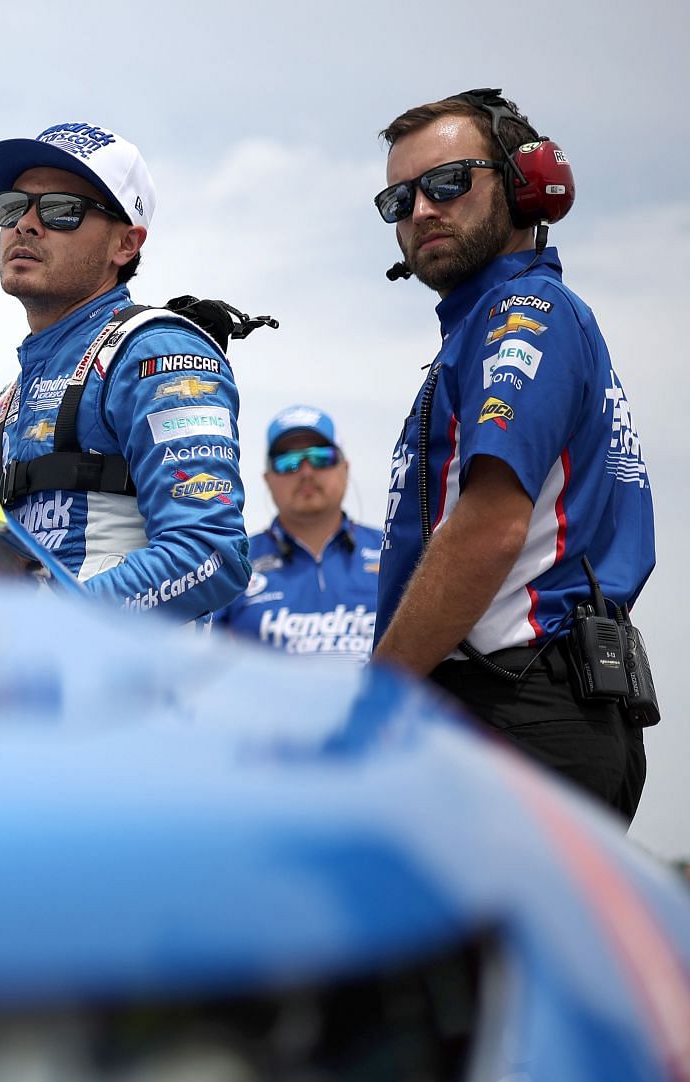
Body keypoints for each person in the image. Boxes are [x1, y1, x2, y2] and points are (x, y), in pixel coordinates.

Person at [372, 88, 655, 823]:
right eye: (398, 199)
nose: (421, 211)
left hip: (514, 709)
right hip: (529, 711)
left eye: (448, 182)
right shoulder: (493, 330)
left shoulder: (522, 312)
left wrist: (376, 700)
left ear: (529, 184)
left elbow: (491, 526)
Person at [0, 122, 250, 620]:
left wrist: (53, 623)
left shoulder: (155, 354)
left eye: (62, 211)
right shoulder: (10, 399)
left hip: (131, 689)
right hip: (33, 687)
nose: (26, 225)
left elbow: (211, 554)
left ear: (125, 244)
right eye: (14, 206)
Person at [213, 407, 381, 660]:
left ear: (345, 469)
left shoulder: (392, 554)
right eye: (288, 462)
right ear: (268, 479)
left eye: (321, 457)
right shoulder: (231, 564)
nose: (305, 472)